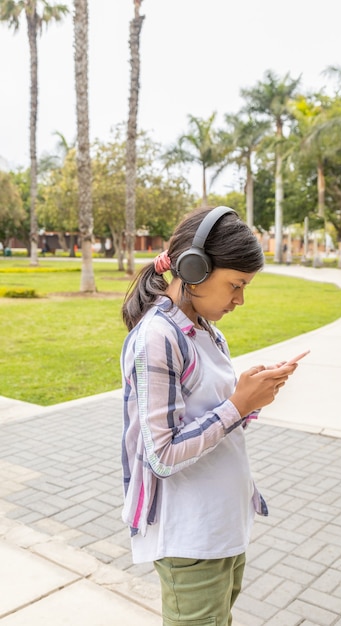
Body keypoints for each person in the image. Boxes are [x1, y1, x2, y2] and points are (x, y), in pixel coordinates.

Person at [120, 206, 301, 626]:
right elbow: (161, 455)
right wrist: (237, 405)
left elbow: (210, 415)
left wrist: (251, 397)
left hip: (222, 528)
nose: (240, 299)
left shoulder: (204, 328)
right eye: (235, 285)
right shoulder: (157, 337)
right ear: (195, 268)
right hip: (190, 537)